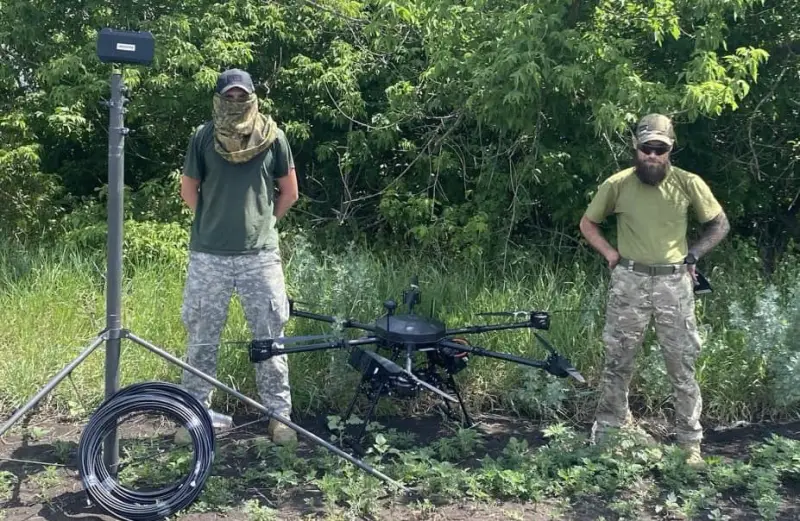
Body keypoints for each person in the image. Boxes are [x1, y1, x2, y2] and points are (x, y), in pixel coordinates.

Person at [579, 113, 730, 465]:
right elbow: (589, 223)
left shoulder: (687, 183)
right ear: (636, 147)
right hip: (629, 282)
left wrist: (693, 254)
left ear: (670, 150)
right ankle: (609, 435)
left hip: (674, 284)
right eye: (646, 148)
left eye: (659, 149)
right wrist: (611, 254)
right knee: (618, 360)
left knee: (682, 364)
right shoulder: (617, 184)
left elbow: (719, 223)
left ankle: (689, 443)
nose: (652, 155)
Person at [176, 68, 300, 445]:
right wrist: (213, 224)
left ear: (251, 96)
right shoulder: (202, 137)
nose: (235, 102)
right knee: (201, 339)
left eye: (240, 95)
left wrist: (264, 225)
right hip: (208, 257)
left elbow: (289, 192)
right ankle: (193, 417)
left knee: (270, 339)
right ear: (218, 98)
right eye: (228, 96)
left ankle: (280, 418)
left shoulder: (273, 137)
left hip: (260, 257)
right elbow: (188, 190)